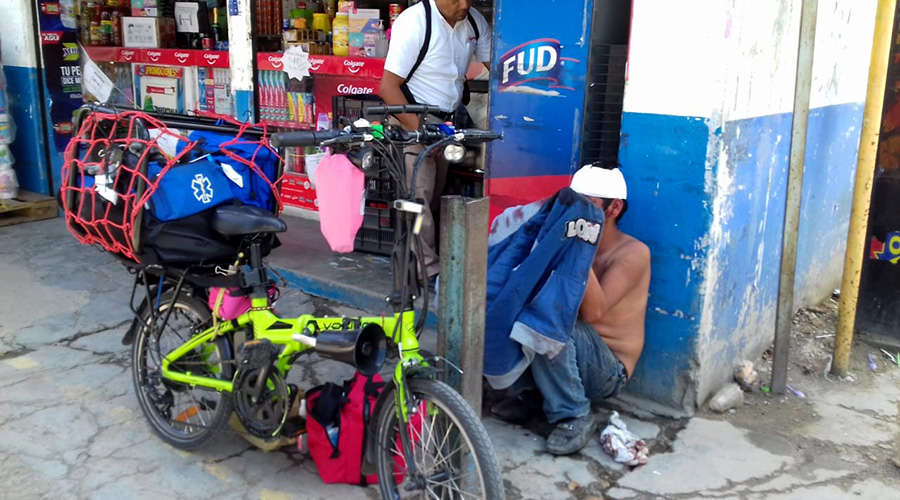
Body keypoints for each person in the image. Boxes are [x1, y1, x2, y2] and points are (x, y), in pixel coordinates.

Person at [491, 165, 651, 456]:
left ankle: (572, 413)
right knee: (518, 298)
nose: (575, 216)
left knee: (548, 314)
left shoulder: (633, 253)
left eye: (586, 207)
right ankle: (534, 396)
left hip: (607, 370)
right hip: (569, 355)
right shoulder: (569, 235)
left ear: (614, 208)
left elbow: (594, 313)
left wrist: (578, 250)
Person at [379, 0, 492, 288]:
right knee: (418, 200)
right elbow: (388, 88)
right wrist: (424, 133)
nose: (464, 4)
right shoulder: (414, 23)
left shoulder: (474, 22)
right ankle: (428, 273)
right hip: (411, 118)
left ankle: (428, 263)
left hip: (446, 122)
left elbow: (500, 71)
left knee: (434, 196)